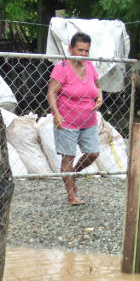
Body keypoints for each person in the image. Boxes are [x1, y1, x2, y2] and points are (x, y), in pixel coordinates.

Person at [47, 32, 103, 206]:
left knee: (93, 153)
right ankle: (71, 195)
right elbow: (51, 93)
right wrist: (56, 114)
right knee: (68, 157)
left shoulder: (90, 66)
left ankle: (74, 174)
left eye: (87, 51)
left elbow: (97, 86)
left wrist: (99, 97)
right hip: (67, 121)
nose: (84, 54)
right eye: (80, 50)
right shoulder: (62, 67)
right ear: (70, 49)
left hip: (89, 120)